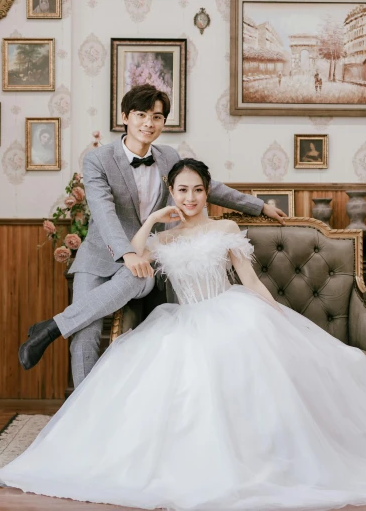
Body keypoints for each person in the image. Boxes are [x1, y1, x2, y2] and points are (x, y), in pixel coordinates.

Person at [0, 158, 366, 510]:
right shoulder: (163, 239)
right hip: (182, 318)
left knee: (250, 369)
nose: (190, 197)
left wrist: (278, 317)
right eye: (182, 190)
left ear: (207, 193)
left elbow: (250, 280)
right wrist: (149, 221)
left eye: (198, 190)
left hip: (231, 311)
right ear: (172, 191)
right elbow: (133, 253)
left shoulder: (225, 226)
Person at [17, 84, 288, 386]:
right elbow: (103, 212)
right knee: (85, 335)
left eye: (157, 117)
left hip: (144, 257)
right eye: (141, 114)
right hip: (99, 258)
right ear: (125, 116)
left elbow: (207, 185)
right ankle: (84, 416)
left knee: (137, 274)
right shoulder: (98, 160)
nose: (149, 123)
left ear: (163, 123)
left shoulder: (167, 156)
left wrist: (258, 205)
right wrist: (126, 253)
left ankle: (50, 328)